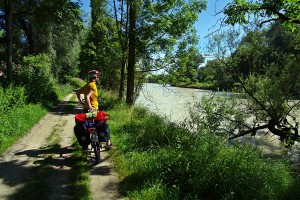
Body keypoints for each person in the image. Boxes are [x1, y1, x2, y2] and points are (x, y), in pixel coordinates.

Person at [76, 69, 112, 147]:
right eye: (97, 77)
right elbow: (87, 96)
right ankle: (108, 143)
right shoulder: (93, 85)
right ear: (96, 77)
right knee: (102, 123)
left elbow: (78, 92)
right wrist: (90, 107)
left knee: (88, 125)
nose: (98, 78)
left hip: (86, 109)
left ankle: (86, 143)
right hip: (93, 109)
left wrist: (81, 101)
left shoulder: (87, 85)